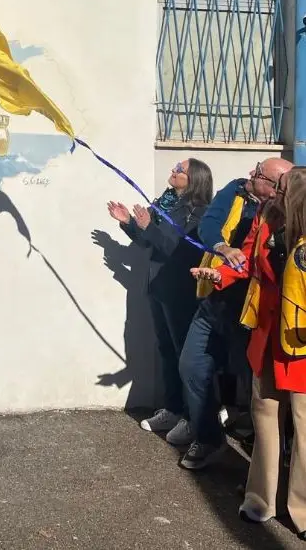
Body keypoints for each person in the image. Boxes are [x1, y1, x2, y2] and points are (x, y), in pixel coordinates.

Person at [191, 166, 306, 536]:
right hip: (267, 335)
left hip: (301, 342)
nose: (270, 191)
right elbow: (246, 262)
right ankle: (260, 500)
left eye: (279, 186)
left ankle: (302, 511)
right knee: (265, 420)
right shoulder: (265, 220)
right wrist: (220, 274)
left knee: (305, 428)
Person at [178, 157, 293, 471]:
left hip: (260, 317)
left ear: (278, 186)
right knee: (191, 365)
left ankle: (271, 456)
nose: (250, 175)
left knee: (259, 388)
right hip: (220, 301)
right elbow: (223, 236)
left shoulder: (291, 219)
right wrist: (221, 265)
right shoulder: (239, 193)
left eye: (259, 174)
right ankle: (209, 437)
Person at [108, 158, 213, 447]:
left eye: (179, 170)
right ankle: (173, 408)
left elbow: (181, 251)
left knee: (185, 357)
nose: (173, 172)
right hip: (159, 289)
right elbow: (149, 242)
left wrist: (148, 227)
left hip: (180, 293)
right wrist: (129, 224)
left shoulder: (202, 214)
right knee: (166, 351)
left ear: (194, 179)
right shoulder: (171, 205)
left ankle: (193, 419)